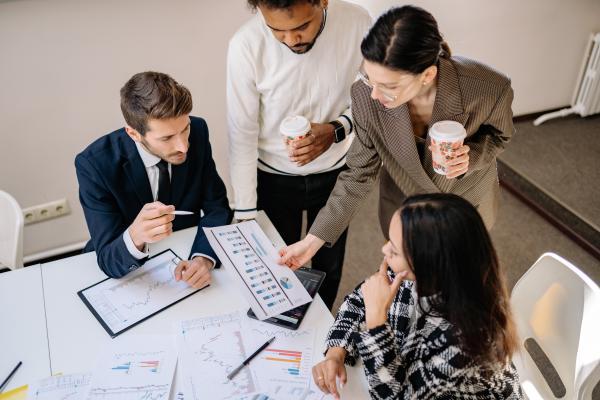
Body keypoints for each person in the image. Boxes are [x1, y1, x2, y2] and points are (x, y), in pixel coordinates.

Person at [279, 5, 515, 270]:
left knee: (459, 281)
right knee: (403, 285)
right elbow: (358, 175)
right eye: (370, 79)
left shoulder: (488, 89)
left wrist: (470, 157)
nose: (375, 96)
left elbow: (500, 136)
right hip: (404, 207)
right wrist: (311, 242)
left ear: (427, 75)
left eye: (389, 87)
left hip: (465, 204)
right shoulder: (365, 96)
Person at [227, 0, 371, 308]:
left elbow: (375, 91)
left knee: (328, 269)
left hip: (336, 174)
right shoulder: (245, 45)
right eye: (276, 30)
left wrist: (337, 129)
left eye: (302, 27)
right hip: (272, 179)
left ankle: (320, 334)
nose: (291, 40)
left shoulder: (358, 22)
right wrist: (244, 213)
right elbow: (242, 132)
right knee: (278, 269)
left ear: (323, 2)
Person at [312, 193, 523, 399]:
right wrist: (336, 353)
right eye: (389, 241)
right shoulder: (413, 277)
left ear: (427, 264)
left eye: (394, 251)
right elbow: (360, 301)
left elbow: (397, 395)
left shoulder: (466, 344)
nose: (384, 249)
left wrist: (376, 320)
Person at [75, 71, 232, 287]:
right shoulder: (94, 165)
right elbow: (108, 259)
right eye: (166, 138)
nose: (183, 146)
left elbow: (218, 208)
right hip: (129, 271)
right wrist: (135, 236)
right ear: (133, 134)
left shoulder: (198, 130)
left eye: (184, 129)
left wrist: (203, 257)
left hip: (186, 246)